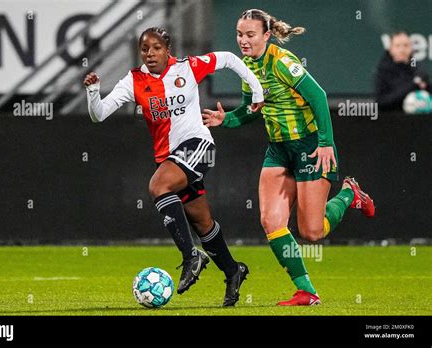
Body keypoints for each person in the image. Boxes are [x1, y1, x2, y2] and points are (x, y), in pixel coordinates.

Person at [202, 9, 375, 306]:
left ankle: (349, 193)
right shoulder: (247, 67)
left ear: (266, 35)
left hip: (309, 147)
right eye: (239, 34)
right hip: (279, 150)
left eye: (250, 34)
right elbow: (250, 110)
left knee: (312, 231)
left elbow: (318, 96)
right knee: (271, 221)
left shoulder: (282, 62)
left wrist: (325, 143)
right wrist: (226, 119)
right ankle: (306, 291)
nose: (243, 40)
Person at [84, 27, 264, 306]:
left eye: (156, 47)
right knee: (202, 222)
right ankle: (233, 271)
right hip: (171, 159)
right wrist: (93, 91)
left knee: (158, 185)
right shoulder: (134, 80)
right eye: (145, 49)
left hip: (199, 146)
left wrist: (256, 91)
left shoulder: (188, 67)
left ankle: (191, 255)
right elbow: (99, 115)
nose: (150, 53)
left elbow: (228, 58)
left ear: (168, 48)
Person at [375, 31, 431, 111]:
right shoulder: (383, 71)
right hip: (392, 119)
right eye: (397, 46)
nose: (402, 50)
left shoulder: (417, 67)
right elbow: (381, 102)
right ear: (391, 49)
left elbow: (425, 86)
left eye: (406, 45)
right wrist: (414, 84)